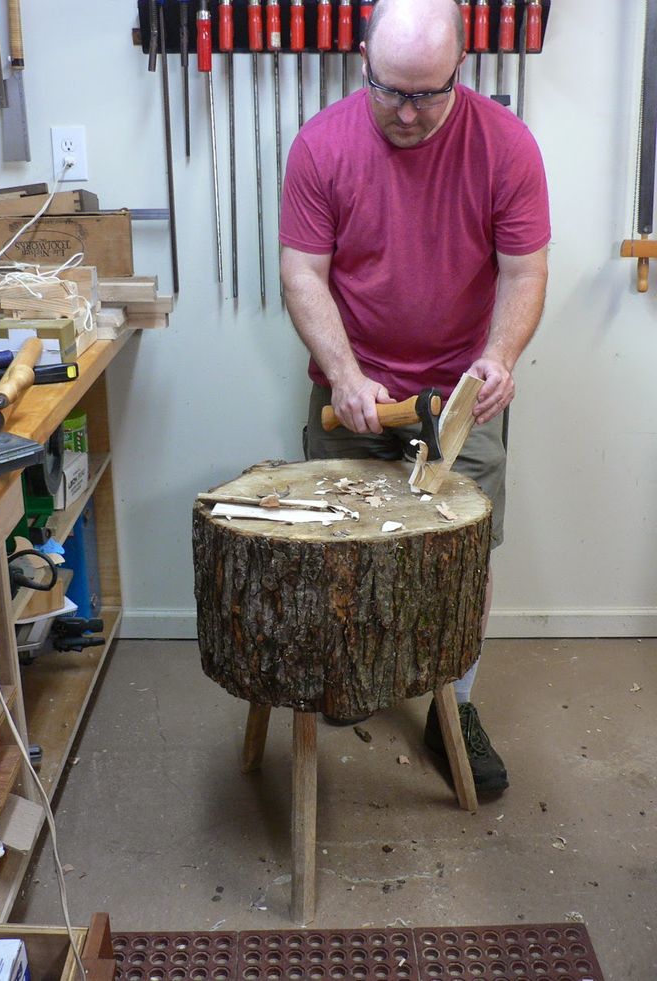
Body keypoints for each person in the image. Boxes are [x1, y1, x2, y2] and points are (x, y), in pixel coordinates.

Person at [279, 0, 550, 793]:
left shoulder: (507, 147)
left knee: (463, 559)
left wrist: (498, 358)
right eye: (388, 90)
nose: (404, 112)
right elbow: (303, 273)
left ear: (459, 73)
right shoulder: (320, 147)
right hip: (355, 392)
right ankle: (355, 672)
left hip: (462, 397)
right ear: (363, 61)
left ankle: (452, 706)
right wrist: (343, 373)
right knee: (344, 549)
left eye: (425, 95)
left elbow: (525, 271)